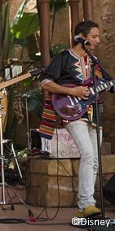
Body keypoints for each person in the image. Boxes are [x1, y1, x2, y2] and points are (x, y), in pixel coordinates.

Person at [40, 20, 113, 219]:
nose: (98, 40)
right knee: (88, 154)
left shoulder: (94, 61)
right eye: (94, 36)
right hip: (72, 111)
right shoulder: (63, 58)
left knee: (95, 160)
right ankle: (87, 203)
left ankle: (85, 205)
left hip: (93, 113)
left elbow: (105, 84)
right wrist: (71, 90)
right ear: (81, 37)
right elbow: (45, 82)